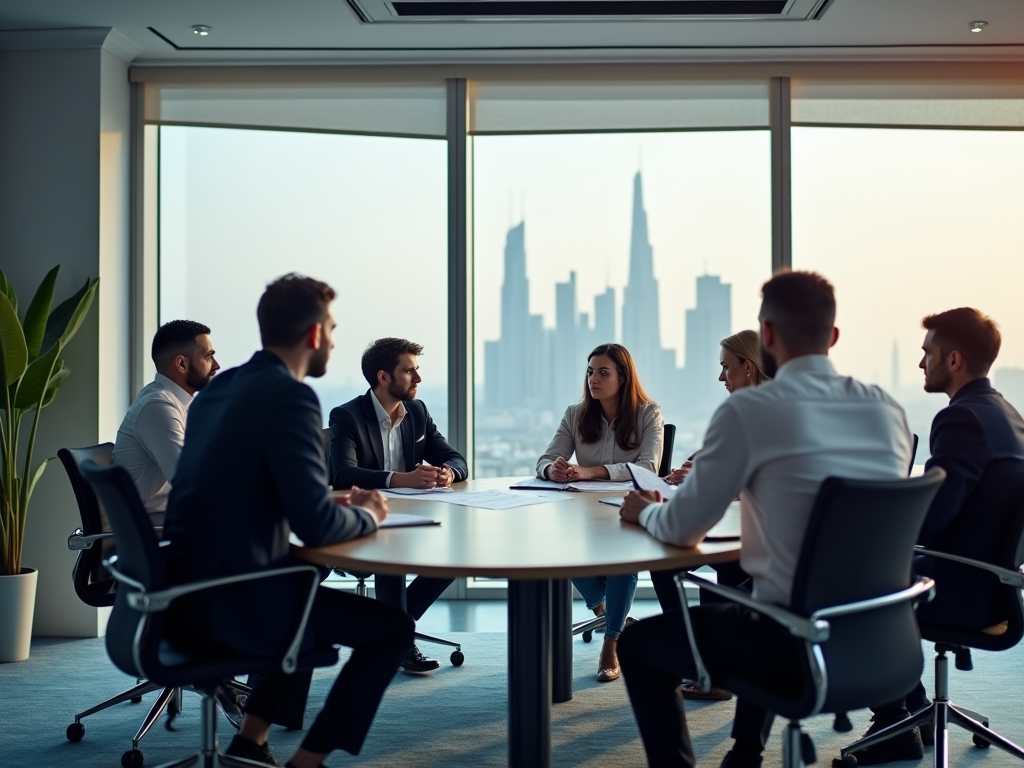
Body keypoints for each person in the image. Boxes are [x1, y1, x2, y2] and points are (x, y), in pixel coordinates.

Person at [616, 271, 914, 768]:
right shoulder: (886, 409)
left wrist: (646, 511)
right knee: (758, 595)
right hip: (885, 636)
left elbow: (680, 530)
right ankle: (746, 753)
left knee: (640, 645)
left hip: (788, 641)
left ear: (767, 335)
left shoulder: (751, 411)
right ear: (833, 337)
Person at [163, 275, 414, 768]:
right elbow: (317, 527)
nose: (335, 340)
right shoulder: (292, 396)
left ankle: (251, 740)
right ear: (316, 335)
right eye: (333, 329)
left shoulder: (221, 388)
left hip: (185, 592)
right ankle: (308, 761)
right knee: (393, 630)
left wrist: (320, 507)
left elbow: (241, 487)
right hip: (239, 599)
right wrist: (367, 512)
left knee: (307, 577)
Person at [849, 307, 1024, 766]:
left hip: (962, 588)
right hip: (995, 585)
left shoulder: (962, 419)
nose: (920, 362)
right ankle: (917, 712)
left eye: (927, 352)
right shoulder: (1007, 414)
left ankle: (892, 727)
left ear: (954, 359)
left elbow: (931, 519)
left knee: (853, 579)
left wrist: (871, 515)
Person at [329, 337, 468, 674]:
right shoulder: (347, 416)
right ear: (384, 377)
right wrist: (402, 479)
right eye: (409, 371)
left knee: (457, 556)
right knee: (391, 557)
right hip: (363, 522)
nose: (418, 379)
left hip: (412, 518)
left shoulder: (417, 413)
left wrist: (448, 472)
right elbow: (343, 473)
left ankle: (394, 629)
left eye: (417, 370)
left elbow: (456, 458)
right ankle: (400, 640)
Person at [536, 343, 663, 682]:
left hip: (628, 510)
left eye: (603, 372)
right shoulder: (576, 414)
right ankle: (610, 614)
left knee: (624, 560)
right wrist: (555, 471)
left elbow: (647, 467)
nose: (594, 379)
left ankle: (612, 641)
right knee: (561, 552)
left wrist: (591, 471)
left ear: (623, 377)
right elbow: (544, 460)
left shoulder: (647, 412)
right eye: (591, 371)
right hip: (584, 513)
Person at [663, 329, 771, 702]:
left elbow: (767, 483)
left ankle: (712, 666)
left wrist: (708, 477)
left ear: (749, 366)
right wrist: (698, 469)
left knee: (694, 556)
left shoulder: (757, 413)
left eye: (726, 367)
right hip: (766, 534)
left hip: (767, 543)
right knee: (674, 561)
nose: (721, 377)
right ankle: (701, 658)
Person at [113, 320, 220, 518]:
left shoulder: (177, 405)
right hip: (157, 530)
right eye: (208, 357)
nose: (216, 366)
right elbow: (190, 482)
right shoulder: (157, 407)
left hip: (175, 521)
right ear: (181, 363)